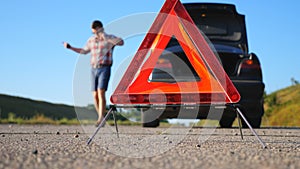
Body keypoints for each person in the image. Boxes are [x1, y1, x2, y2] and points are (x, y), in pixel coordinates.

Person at [63, 20, 124, 126]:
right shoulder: (91, 40)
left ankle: (100, 118)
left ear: (100, 28)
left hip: (105, 67)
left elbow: (121, 42)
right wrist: (71, 47)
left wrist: (106, 37)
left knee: (101, 91)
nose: (95, 34)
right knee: (95, 94)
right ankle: (101, 116)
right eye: (93, 32)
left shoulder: (109, 38)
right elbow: (84, 51)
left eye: (95, 31)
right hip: (93, 68)